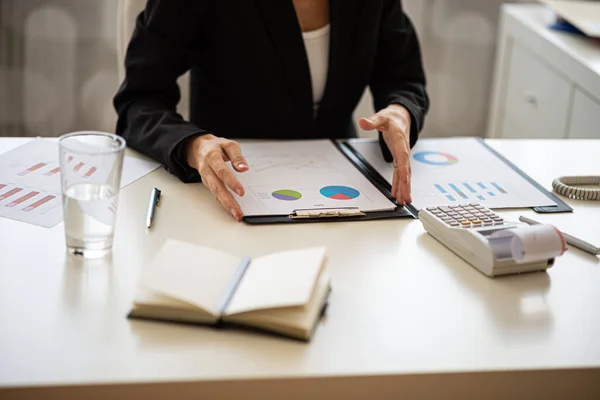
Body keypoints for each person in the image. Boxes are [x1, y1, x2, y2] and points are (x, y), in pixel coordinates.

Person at [114, 0, 429, 221]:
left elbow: (402, 76)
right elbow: (140, 99)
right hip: (232, 192)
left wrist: (400, 110)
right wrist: (194, 145)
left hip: (344, 192)